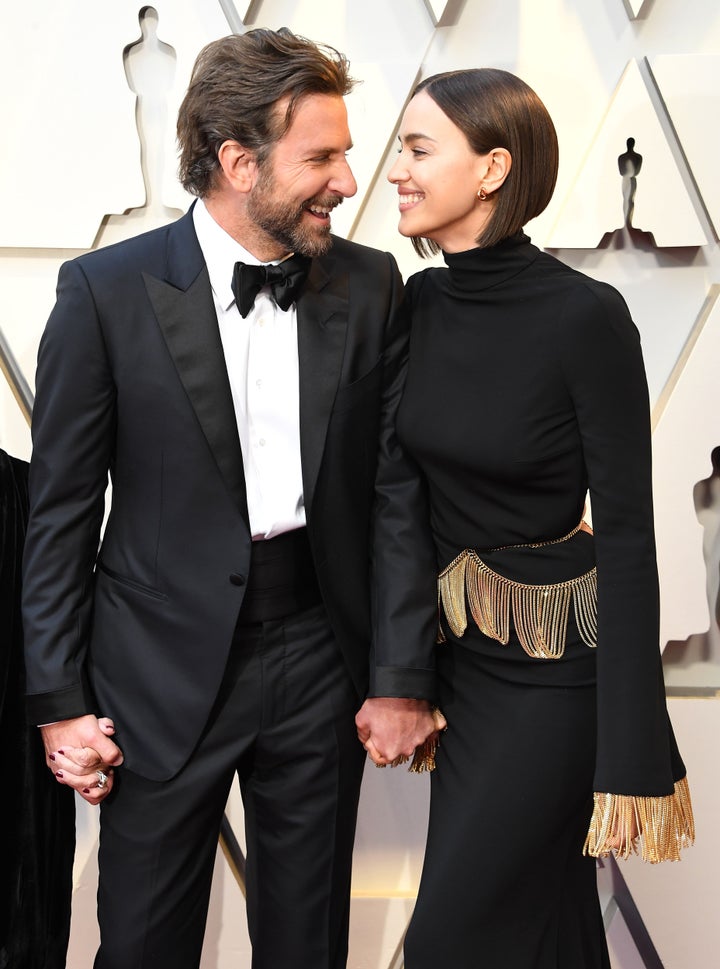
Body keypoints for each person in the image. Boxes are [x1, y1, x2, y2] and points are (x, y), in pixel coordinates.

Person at [21, 28, 439, 969]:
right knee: (141, 945)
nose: (347, 179)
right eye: (321, 157)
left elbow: (395, 496)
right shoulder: (104, 292)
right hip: (154, 672)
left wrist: (399, 672)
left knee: (308, 946)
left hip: (320, 657)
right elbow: (61, 514)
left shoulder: (372, 284)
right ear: (238, 161)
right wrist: (59, 702)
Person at [386, 68, 695, 969]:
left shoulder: (586, 317)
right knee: (553, 930)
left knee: (450, 937)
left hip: (560, 688)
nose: (395, 169)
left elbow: (630, 539)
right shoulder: (422, 303)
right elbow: (400, 496)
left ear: (491, 169)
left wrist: (632, 748)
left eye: (417, 147)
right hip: (466, 674)